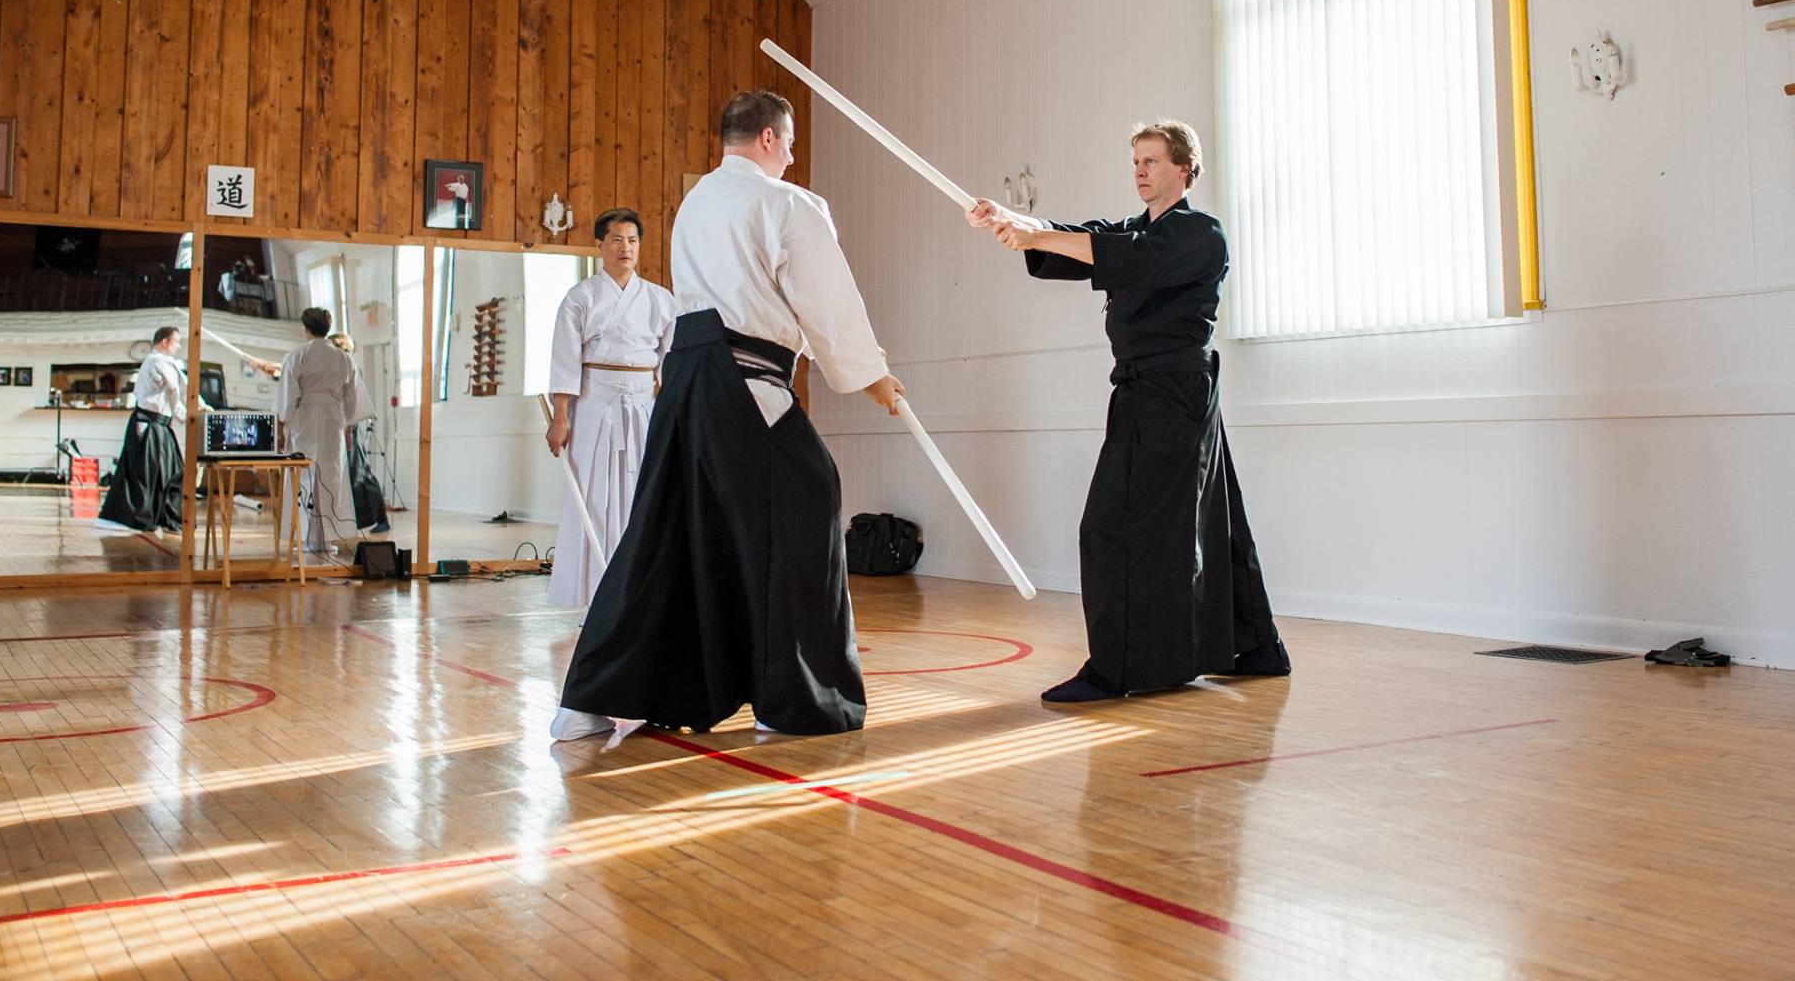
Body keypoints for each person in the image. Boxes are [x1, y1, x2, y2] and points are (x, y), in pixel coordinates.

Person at [550, 91, 905, 741]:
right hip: (742, 376)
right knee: (807, 496)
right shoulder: (786, 202)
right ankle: (795, 701)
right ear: (769, 139)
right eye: (790, 144)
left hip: (683, 379)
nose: (793, 156)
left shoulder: (696, 202)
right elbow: (826, 297)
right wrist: (871, 375)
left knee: (666, 527)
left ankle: (589, 699)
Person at [969, 120, 1289, 702]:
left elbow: (1122, 255)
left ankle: (1118, 669)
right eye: (1135, 161)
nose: (1140, 171)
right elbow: (1082, 239)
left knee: (1113, 527)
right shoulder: (1132, 230)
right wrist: (1017, 226)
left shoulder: (1198, 234)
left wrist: (1034, 234)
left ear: (1185, 169)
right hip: (1151, 389)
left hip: (1173, 390)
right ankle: (1253, 645)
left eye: (1152, 161)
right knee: (1213, 517)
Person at [544, 208, 677, 611]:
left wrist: (672, 414)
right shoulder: (580, 298)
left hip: (643, 405)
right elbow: (565, 360)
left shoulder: (660, 299)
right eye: (617, 239)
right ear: (599, 245)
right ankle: (593, 596)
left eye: (633, 240)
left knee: (644, 495)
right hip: (594, 403)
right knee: (594, 495)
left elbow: (670, 364)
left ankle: (640, 595)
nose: (626, 248)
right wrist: (560, 418)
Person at [277, 307, 375, 553]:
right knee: (331, 475)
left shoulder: (297, 356)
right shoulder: (343, 358)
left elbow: (287, 396)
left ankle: (306, 534)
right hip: (333, 418)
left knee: (305, 474)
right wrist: (349, 428)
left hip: (305, 417)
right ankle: (326, 536)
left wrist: (282, 425)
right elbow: (352, 398)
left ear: (306, 329)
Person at [101, 326, 189, 533]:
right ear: (165, 342)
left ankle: (167, 519)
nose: (179, 346)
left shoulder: (166, 363)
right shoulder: (156, 362)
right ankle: (141, 519)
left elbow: (178, 390)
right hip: (148, 424)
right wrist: (187, 414)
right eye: (176, 341)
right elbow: (175, 390)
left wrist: (194, 409)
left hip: (159, 425)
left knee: (171, 472)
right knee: (145, 474)